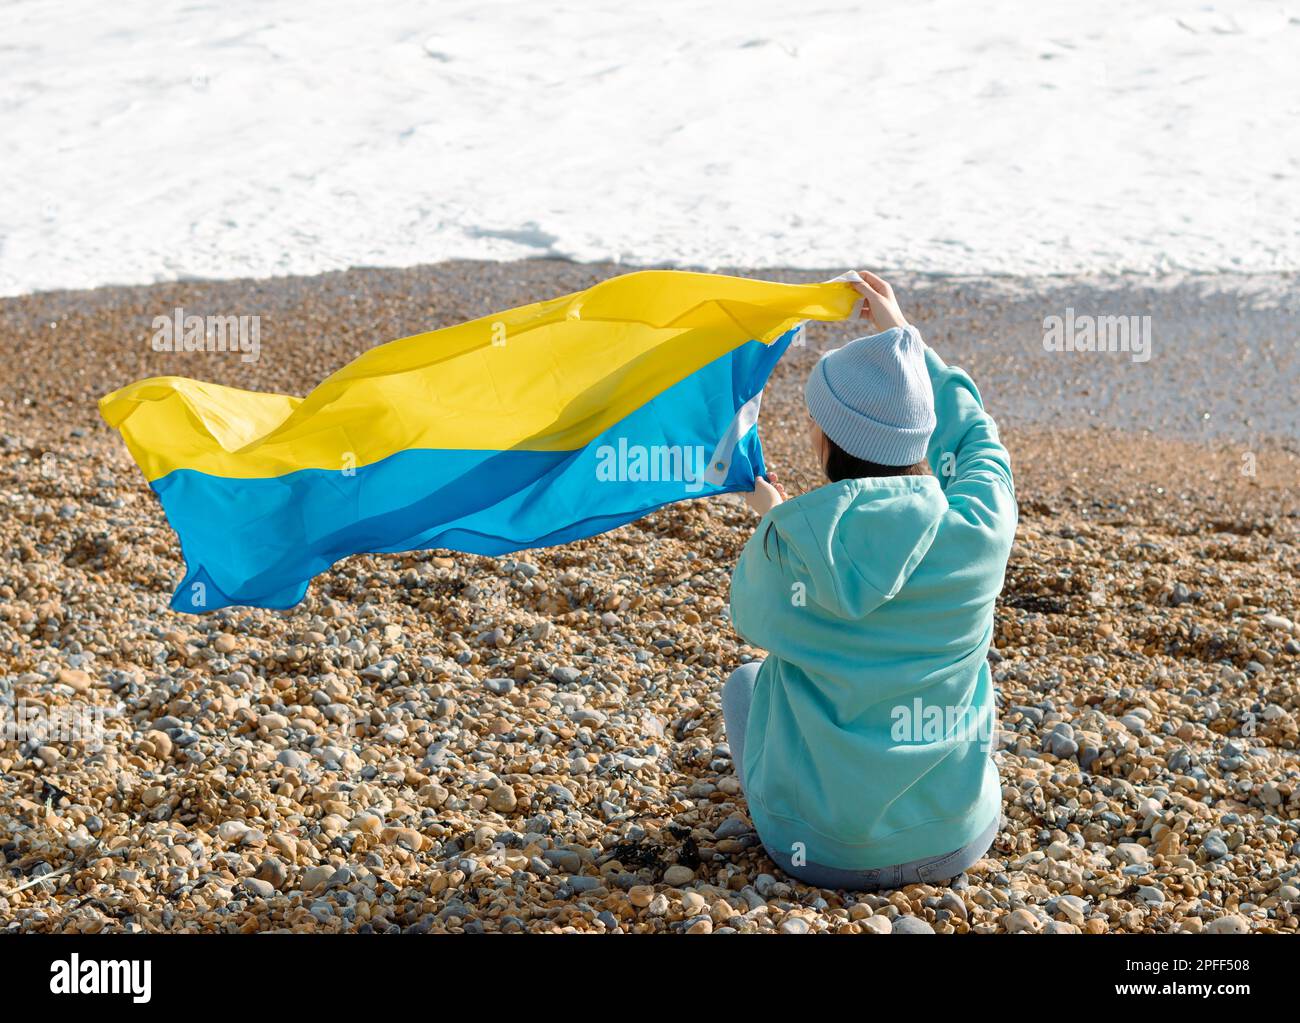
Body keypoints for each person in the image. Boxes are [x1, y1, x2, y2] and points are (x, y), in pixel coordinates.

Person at [723, 270, 1016, 890]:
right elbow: (978, 440)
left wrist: (778, 520)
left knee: (748, 683)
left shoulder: (790, 548)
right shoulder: (979, 531)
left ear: (826, 443)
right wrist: (908, 342)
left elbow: (748, 616)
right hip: (954, 838)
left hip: (816, 849)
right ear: (921, 435)